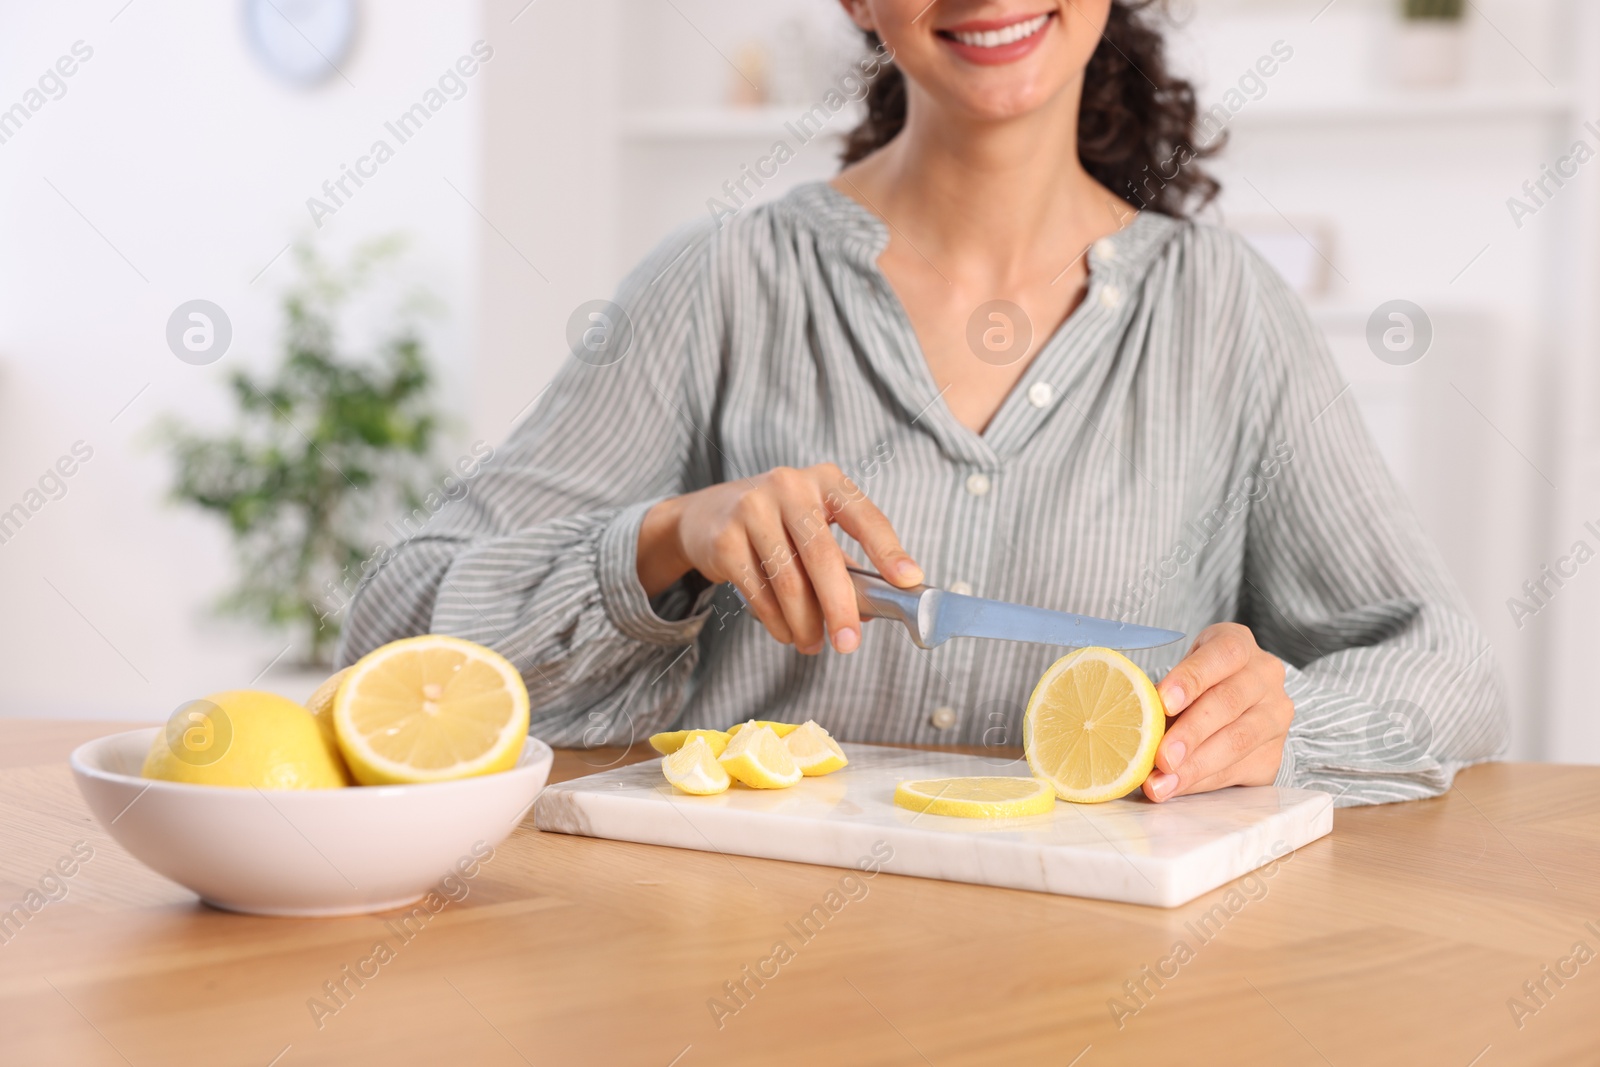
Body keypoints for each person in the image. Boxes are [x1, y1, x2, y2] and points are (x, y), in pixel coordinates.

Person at [340, 0, 1506, 806]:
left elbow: (1442, 659)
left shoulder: (1225, 312)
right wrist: (666, 538)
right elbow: (395, 637)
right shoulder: (719, 285)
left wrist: (1281, 722)